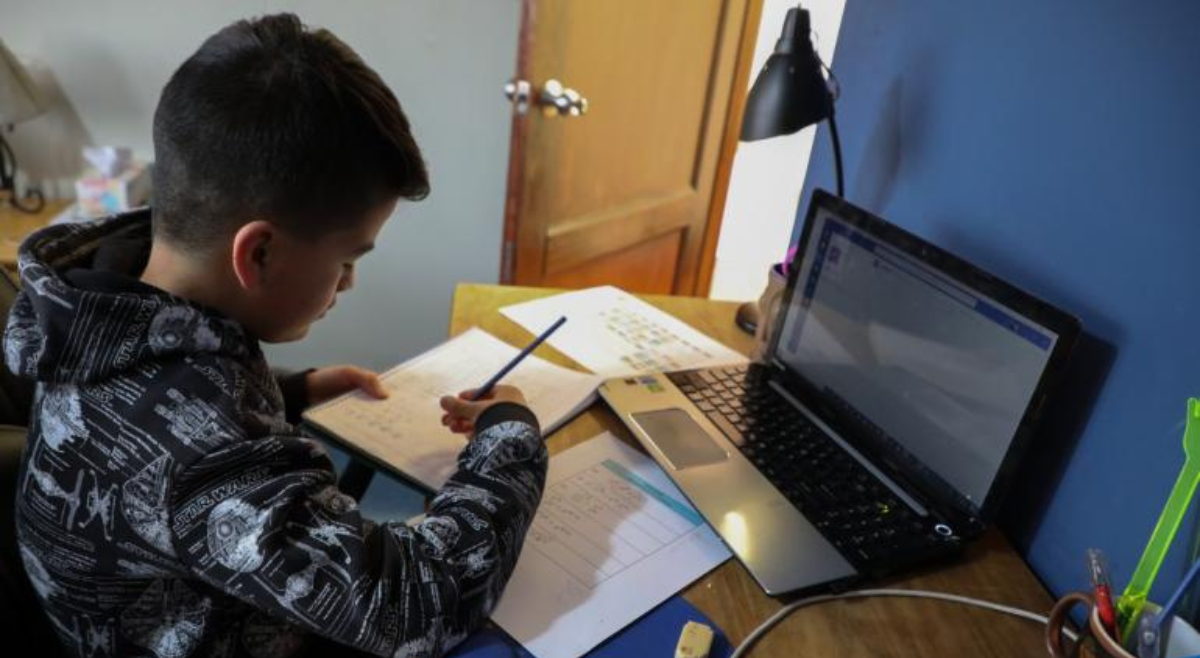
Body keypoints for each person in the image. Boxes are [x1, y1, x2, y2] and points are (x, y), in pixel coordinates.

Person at [6, 13, 546, 658]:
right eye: (348, 260)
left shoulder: (88, 309)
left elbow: (152, 420)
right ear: (258, 253)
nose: (348, 283)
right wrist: (510, 435)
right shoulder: (207, 457)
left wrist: (291, 392)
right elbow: (412, 607)